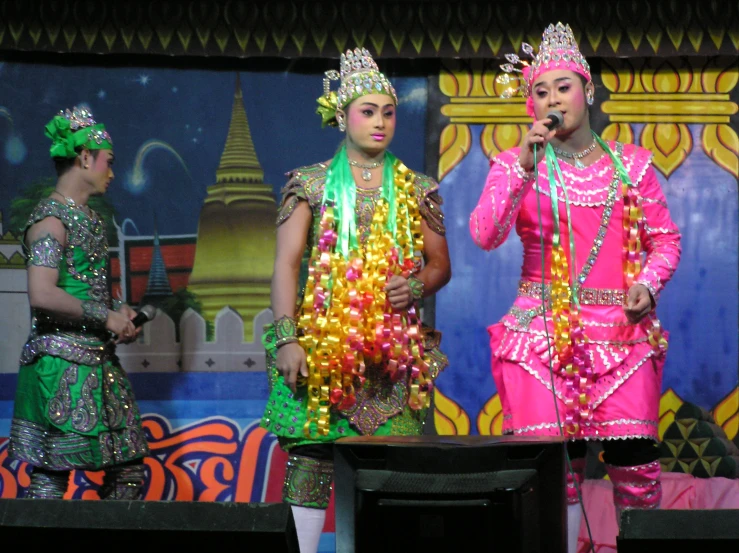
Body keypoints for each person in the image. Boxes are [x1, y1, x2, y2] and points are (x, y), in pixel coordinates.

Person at [469, 23, 681, 552]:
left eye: (562, 87)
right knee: (553, 474)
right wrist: (522, 163)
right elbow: (485, 234)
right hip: (539, 337)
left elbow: (665, 241)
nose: (552, 99)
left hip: (620, 336)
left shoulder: (632, 165)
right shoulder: (516, 164)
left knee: (636, 468)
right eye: (540, 91)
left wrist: (647, 286)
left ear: (587, 92)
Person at [261, 48, 452, 553]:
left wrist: (415, 286)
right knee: (311, 462)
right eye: (367, 112)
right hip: (323, 348)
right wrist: (286, 340)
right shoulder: (310, 184)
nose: (380, 122)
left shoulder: (417, 188)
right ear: (342, 116)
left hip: (389, 355)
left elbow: (439, 264)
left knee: (387, 469)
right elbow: (285, 264)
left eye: (388, 112)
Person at [8, 107, 150, 500]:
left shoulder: (89, 218)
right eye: (109, 162)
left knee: (129, 472)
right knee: (52, 476)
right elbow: (43, 293)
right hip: (59, 366)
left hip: (100, 361)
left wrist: (118, 312)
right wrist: (105, 316)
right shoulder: (50, 220)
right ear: (85, 157)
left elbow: (86, 284)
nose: (112, 172)